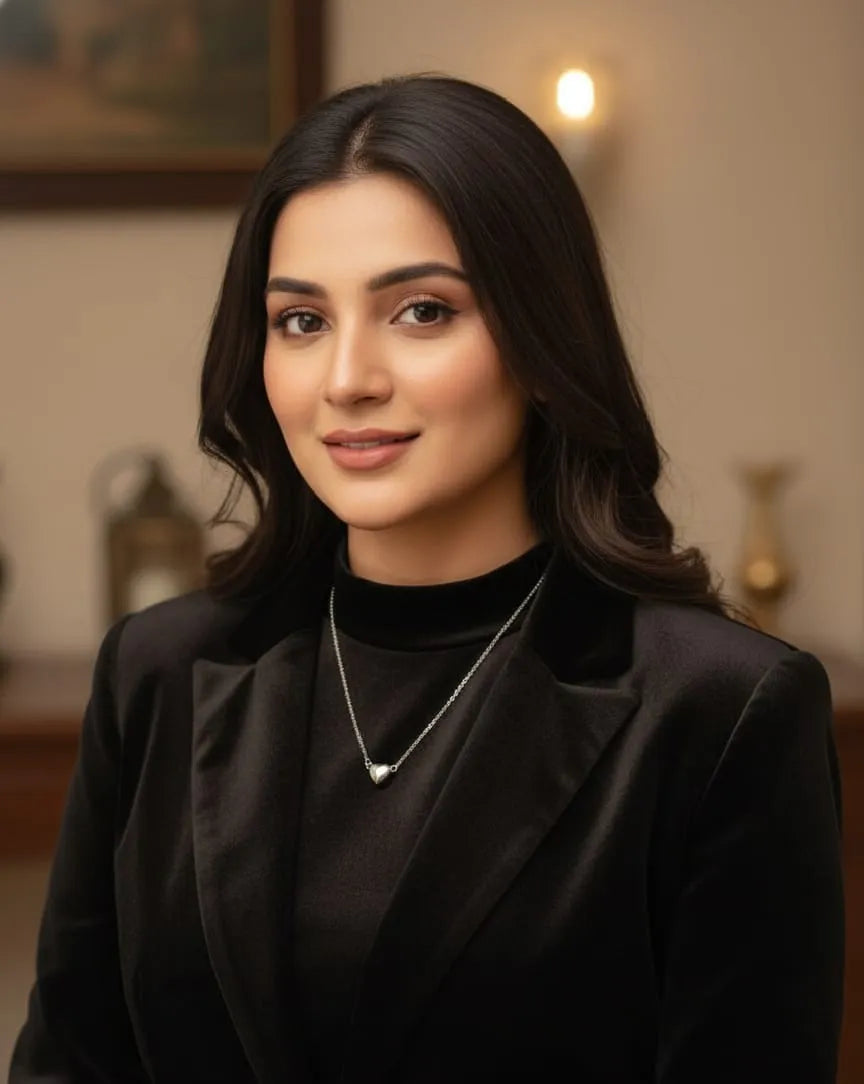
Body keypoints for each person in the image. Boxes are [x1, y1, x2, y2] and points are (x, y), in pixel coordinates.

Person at [10, 73, 844, 1084]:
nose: (348, 377)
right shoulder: (157, 672)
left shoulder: (723, 710)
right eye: (301, 321)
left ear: (542, 340)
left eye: (420, 310)